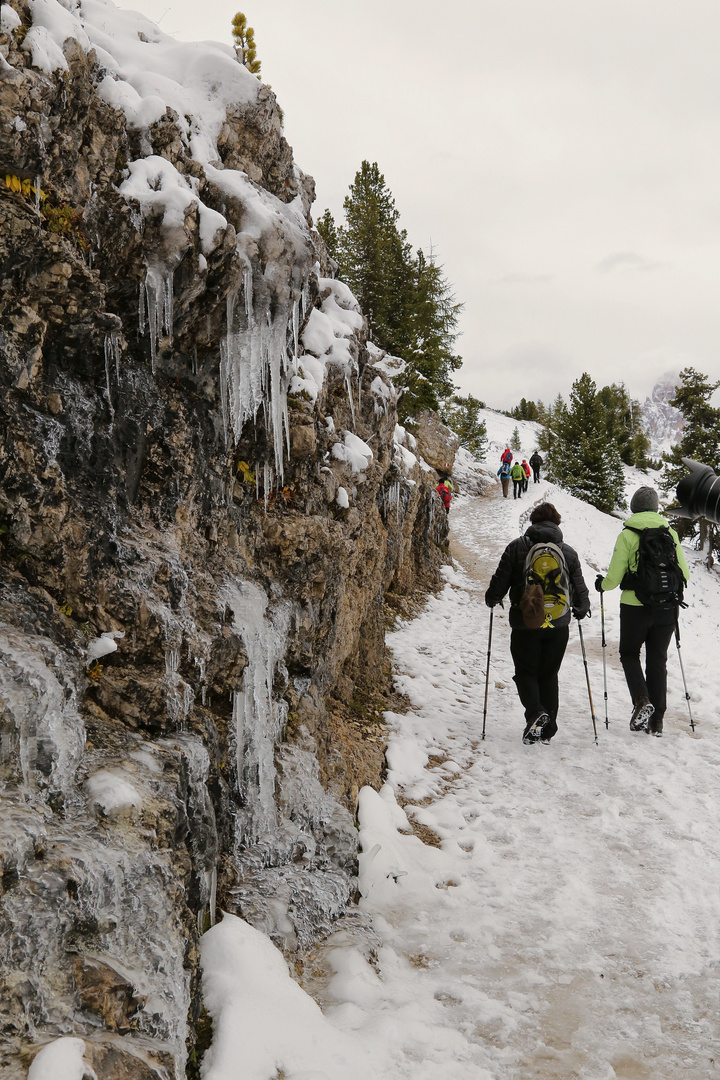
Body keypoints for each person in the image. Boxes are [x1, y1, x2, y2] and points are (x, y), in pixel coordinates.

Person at [485, 502, 590, 744]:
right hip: (558, 624)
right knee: (549, 674)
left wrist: (492, 598)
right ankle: (548, 729)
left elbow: (500, 582)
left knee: (525, 672)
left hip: (526, 622)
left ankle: (535, 713)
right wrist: (582, 608)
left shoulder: (516, 547)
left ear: (533, 522)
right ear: (557, 524)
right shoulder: (568, 553)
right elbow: (580, 589)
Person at [595, 486, 689, 736]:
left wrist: (601, 585)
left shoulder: (628, 533)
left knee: (629, 653)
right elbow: (685, 574)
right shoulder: (670, 533)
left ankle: (641, 700)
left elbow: (613, 579)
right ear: (656, 508)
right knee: (657, 660)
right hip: (667, 608)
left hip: (635, 607)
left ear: (634, 507)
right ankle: (656, 721)